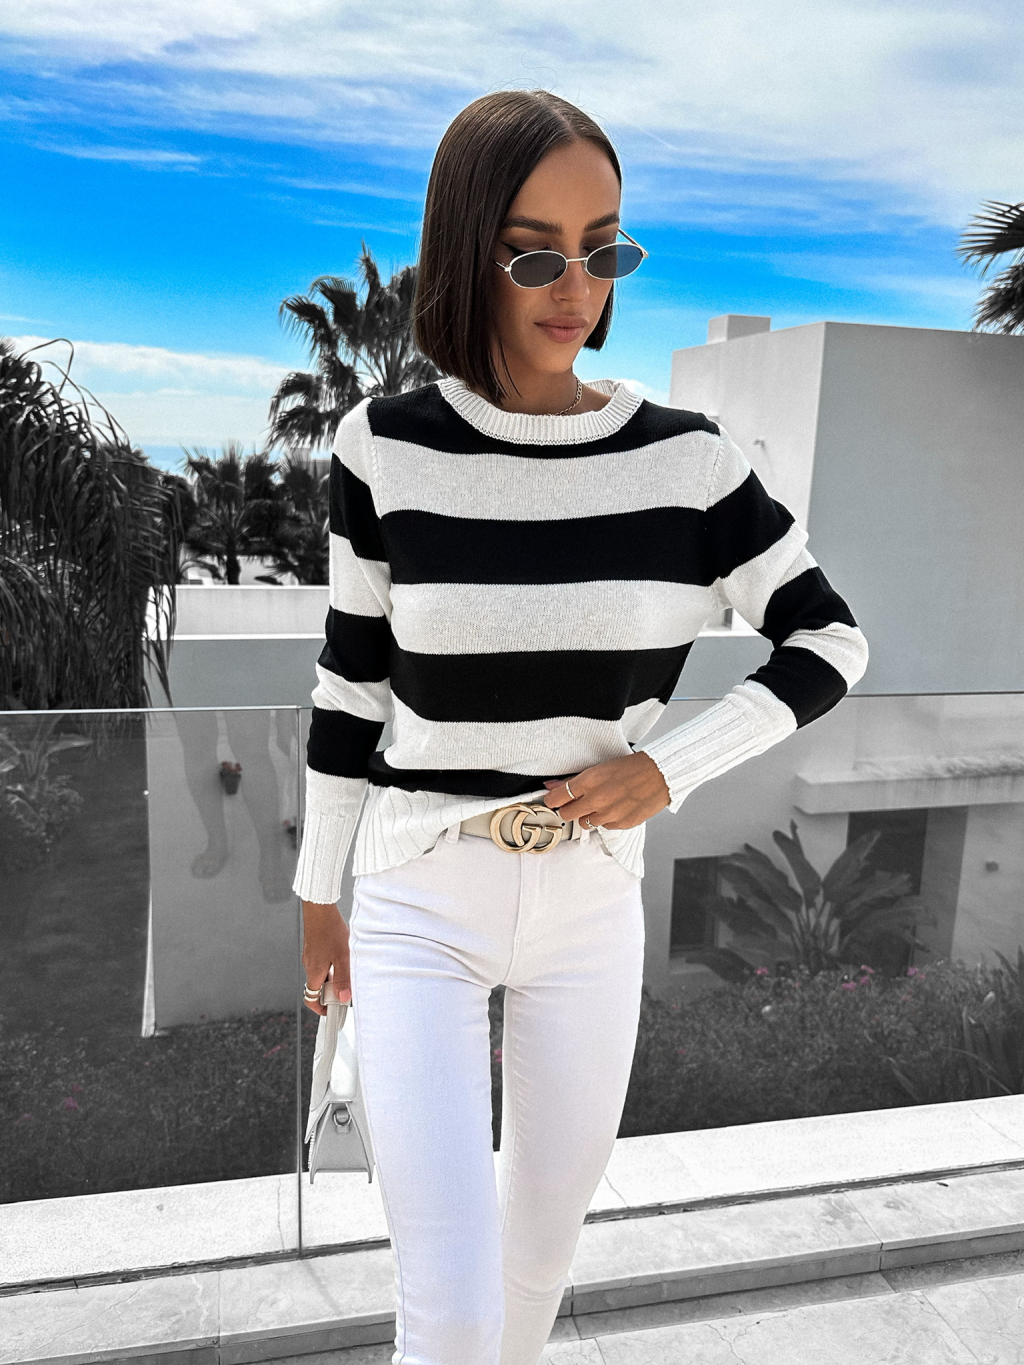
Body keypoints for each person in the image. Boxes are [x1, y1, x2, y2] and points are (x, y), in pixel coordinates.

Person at [293, 89, 868, 1365]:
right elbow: (351, 686)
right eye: (533, 254)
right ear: (467, 253)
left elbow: (831, 640)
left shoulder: (687, 460)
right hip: (418, 896)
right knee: (447, 1306)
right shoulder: (384, 446)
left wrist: (671, 767)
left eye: (603, 248)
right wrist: (317, 895)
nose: (576, 288)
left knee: (537, 1268)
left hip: (591, 902)